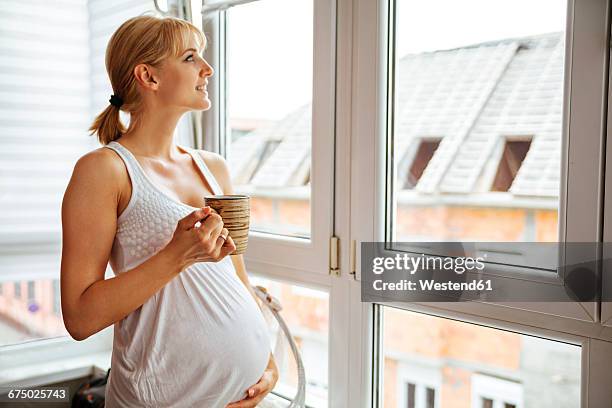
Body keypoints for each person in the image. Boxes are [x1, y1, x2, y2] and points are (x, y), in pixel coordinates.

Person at [60, 14, 278, 407]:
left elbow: (237, 277)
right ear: (149, 76)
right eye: (191, 57)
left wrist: (268, 360)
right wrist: (177, 255)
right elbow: (79, 317)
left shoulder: (215, 168)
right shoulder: (104, 170)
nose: (207, 69)